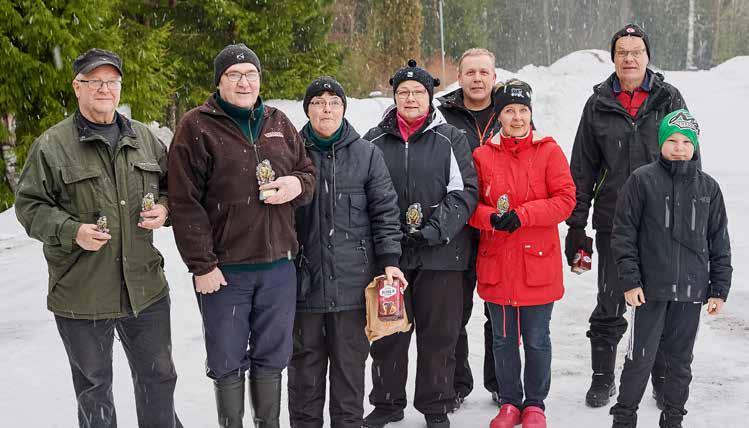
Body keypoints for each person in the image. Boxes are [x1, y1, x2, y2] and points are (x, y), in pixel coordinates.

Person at [14, 48, 181, 428]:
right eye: (95, 81)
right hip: (81, 292)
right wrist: (72, 231)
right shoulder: (52, 146)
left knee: (159, 380)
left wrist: (166, 210)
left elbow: (174, 188)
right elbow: (30, 208)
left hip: (145, 290)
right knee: (94, 390)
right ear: (78, 87)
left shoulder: (145, 140)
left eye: (112, 81)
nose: (105, 89)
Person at [168, 43, 315, 428]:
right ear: (219, 81)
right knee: (227, 359)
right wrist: (202, 264)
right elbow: (185, 202)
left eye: (251, 74)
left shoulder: (279, 123)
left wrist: (295, 184)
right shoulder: (196, 126)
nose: (244, 81)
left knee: (272, 357)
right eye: (234, 75)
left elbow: (309, 174)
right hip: (225, 272)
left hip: (278, 268)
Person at [566, 23, 689, 408]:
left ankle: (661, 376)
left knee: (661, 302)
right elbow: (582, 169)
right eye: (623, 52)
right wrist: (575, 225)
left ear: (648, 56)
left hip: (663, 224)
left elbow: (689, 155)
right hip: (613, 222)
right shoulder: (598, 103)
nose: (630, 58)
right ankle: (603, 378)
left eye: (637, 51)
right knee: (610, 300)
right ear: (614, 57)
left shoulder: (669, 98)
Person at [362, 60, 478, 428]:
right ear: (394, 97)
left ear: (430, 97)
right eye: (403, 92)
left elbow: (464, 193)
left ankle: (435, 404)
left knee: (439, 333)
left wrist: (434, 229)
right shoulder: (373, 140)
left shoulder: (451, 138)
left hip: (442, 254)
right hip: (391, 256)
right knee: (389, 333)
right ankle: (387, 402)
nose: (410, 98)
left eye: (418, 92)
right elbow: (365, 193)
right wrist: (388, 238)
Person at [287, 76, 405, 428]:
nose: (326, 108)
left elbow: (386, 212)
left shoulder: (367, 155)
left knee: (349, 379)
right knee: (304, 379)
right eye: (319, 102)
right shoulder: (291, 153)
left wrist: (389, 262)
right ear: (307, 109)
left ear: (343, 108)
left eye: (334, 102)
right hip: (302, 289)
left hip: (353, 290)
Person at [609, 109, 731, 428]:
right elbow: (624, 234)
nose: (679, 147)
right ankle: (624, 418)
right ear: (661, 143)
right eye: (673, 140)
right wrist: (630, 281)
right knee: (640, 359)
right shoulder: (642, 180)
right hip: (648, 291)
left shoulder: (708, 188)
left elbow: (719, 241)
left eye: (686, 142)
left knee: (680, 362)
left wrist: (719, 288)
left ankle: (673, 417)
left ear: (695, 146)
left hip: (691, 292)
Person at [469, 80, 575, 428]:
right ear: (498, 116)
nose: (517, 118)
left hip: (536, 265)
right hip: (498, 264)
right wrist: (492, 219)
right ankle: (510, 401)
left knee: (536, 339)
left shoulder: (548, 151)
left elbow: (565, 200)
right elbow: (470, 206)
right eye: (510, 111)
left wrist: (525, 215)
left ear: (531, 113)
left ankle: (534, 404)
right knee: (502, 340)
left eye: (523, 111)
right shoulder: (483, 155)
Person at [436, 48, 501, 408]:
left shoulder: (511, 111)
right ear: (459, 77)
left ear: (494, 76)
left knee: (499, 310)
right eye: (470, 72)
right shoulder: (442, 115)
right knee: (453, 312)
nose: (477, 78)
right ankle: (456, 384)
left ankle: (499, 381)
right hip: (455, 228)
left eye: (483, 72)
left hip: (496, 227)